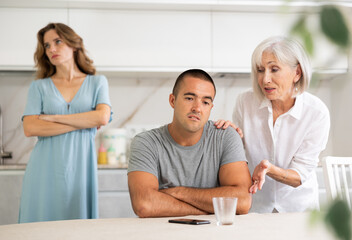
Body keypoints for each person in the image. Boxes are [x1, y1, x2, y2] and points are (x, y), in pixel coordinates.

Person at [215, 36, 330, 213]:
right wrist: (229, 135)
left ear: (297, 73)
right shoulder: (245, 102)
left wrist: (269, 169)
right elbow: (238, 153)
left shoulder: (316, 112)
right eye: (260, 70)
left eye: (274, 69)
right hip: (257, 208)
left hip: (298, 210)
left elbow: (300, 175)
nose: (265, 79)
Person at [19, 23, 112, 223]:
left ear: (74, 45)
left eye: (57, 42)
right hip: (44, 169)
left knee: (78, 229)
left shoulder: (98, 82)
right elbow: (30, 128)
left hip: (81, 168)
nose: (51, 49)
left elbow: (102, 117)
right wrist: (84, 120)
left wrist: (53, 117)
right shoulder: (39, 87)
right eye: (47, 45)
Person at [128, 69, 252, 218]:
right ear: (172, 101)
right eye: (189, 98)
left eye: (205, 102)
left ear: (211, 107)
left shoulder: (226, 136)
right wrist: (213, 209)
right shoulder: (146, 142)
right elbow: (145, 204)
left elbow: (243, 201)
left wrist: (177, 192)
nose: (197, 108)